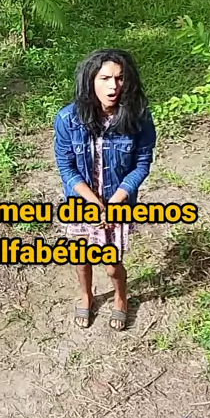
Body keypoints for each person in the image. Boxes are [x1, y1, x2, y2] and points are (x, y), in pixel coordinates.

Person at [54, 48, 156, 331]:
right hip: (81, 201)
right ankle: (86, 295)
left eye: (120, 78)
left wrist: (114, 203)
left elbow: (141, 165)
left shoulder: (139, 119)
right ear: (90, 81)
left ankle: (121, 298)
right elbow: (66, 167)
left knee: (112, 265)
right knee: (81, 259)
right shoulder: (67, 119)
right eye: (105, 78)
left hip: (118, 203)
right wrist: (93, 202)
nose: (113, 86)